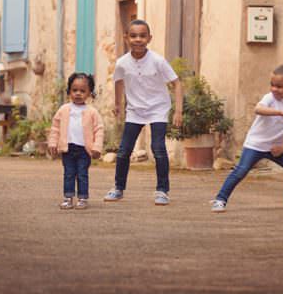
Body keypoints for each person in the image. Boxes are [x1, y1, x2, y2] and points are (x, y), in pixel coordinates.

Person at [104, 20, 183, 206]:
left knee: (158, 149)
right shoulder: (122, 63)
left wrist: (178, 110)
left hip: (158, 109)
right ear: (126, 38)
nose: (137, 39)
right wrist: (117, 103)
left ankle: (162, 191)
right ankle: (118, 188)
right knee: (123, 151)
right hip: (135, 110)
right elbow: (118, 82)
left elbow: (177, 83)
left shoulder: (157, 61)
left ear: (149, 38)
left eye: (142, 35)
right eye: (133, 36)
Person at [210, 64, 283, 212]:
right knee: (241, 171)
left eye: (279, 86)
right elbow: (258, 109)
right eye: (272, 85)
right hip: (255, 144)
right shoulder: (269, 98)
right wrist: (280, 112)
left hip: (276, 148)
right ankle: (220, 199)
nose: (274, 89)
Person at [47, 73, 104, 210]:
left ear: (89, 93)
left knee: (82, 173)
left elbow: (99, 130)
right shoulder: (64, 110)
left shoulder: (92, 112)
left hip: (84, 150)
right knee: (69, 173)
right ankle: (68, 198)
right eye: (75, 90)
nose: (78, 93)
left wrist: (97, 147)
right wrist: (53, 143)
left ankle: (83, 198)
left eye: (82, 91)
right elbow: (55, 128)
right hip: (68, 149)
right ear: (69, 91)